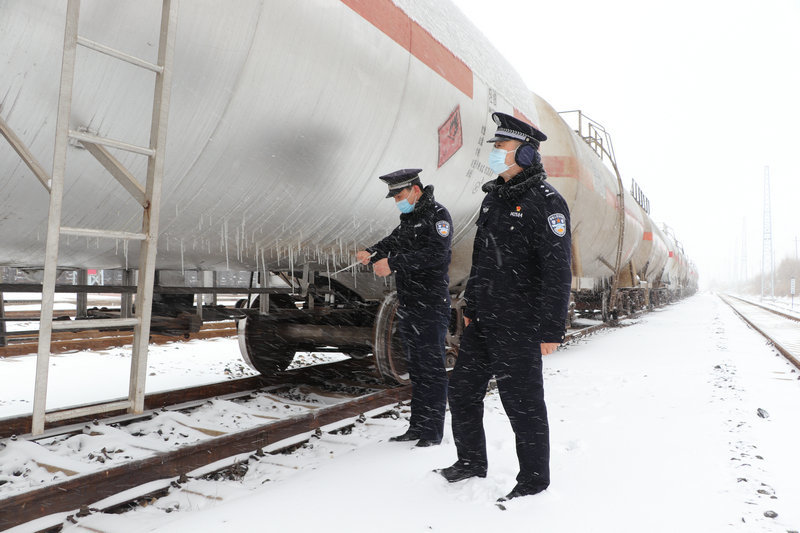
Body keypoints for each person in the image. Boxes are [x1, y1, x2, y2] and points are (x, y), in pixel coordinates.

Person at [435, 112, 572, 501]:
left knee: (523, 404)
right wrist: (472, 303)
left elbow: (557, 270)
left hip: (522, 322)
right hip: (485, 320)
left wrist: (551, 329)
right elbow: (482, 259)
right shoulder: (493, 199)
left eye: (502, 147)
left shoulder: (548, 203)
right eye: (494, 146)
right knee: (461, 392)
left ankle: (533, 481)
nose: (495, 153)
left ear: (526, 154)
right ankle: (471, 462)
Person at [356, 169, 453, 447]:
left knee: (431, 369)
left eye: (399, 195)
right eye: (395, 197)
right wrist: (371, 251)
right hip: (411, 303)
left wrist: (394, 263)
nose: (397, 200)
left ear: (415, 190)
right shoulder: (410, 219)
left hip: (431, 304)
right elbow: (392, 241)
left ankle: (432, 431)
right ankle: (417, 426)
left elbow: (437, 255)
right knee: (418, 369)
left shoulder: (438, 216)